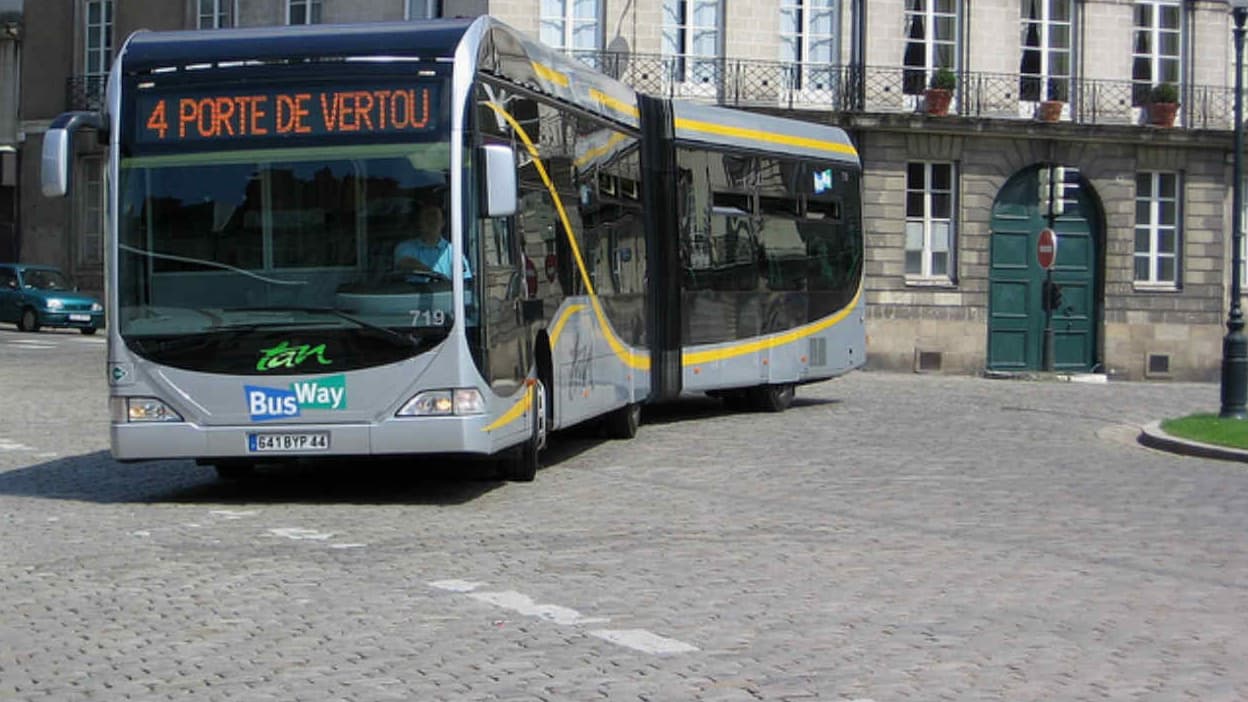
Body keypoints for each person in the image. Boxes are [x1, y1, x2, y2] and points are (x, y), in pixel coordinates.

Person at [394, 202, 456, 278]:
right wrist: (433, 274)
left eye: (434, 216)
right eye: (426, 217)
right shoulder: (405, 247)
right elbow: (405, 263)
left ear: (443, 222)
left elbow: (465, 282)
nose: (431, 221)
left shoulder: (454, 252)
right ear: (419, 222)